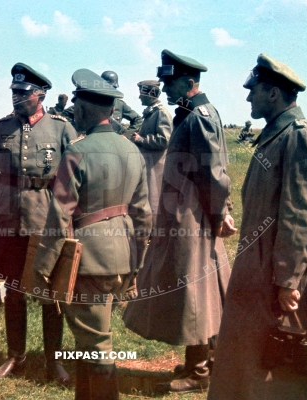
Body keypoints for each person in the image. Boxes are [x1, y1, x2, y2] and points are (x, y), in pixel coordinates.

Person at [208, 54, 307, 400]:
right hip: (264, 265)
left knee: (286, 365)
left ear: (273, 94)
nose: (247, 98)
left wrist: (288, 280)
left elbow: (301, 216)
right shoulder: (280, 135)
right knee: (257, 362)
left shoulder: (299, 137)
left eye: (253, 91)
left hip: (284, 268)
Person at [32, 68, 152, 400]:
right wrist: (138, 265)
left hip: (90, 262)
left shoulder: (77, 151)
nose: (74, 110)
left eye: (77, 105)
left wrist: (42, 269)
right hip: (123, 258)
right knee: (90, 342)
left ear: (86, 108)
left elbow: (59, 215)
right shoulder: (132, 150)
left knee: (97, 346)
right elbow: (143, 214)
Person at [123, 49, 236, 394]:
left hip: (193, 216)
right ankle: (205, 360)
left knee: (194, 290)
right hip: (189, 213)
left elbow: (213, 172)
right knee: (203, 288)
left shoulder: (199, 116)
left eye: (170, 82)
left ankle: (200, 369)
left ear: (189, 82)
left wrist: (221, 213)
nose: (165, 88)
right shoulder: (190, 113)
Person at [0, 63, 77, 385]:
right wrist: (12, 192)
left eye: (23, 93)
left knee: (51, 294)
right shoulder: (2, 127)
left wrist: (41, 194)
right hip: (9, 221)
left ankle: (53, 361)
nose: (16, 98)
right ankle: (15, 357)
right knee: (14, 289)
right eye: (13, 93)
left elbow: (77, 176)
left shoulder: (61, 128)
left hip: (46, 221)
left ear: (40, 94)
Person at [130, 80, 172, 226]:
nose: (139, 97)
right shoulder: (152, 112)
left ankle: (153, 231)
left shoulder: (161, 113)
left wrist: (141, 139)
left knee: (153, 198)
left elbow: (164, 140)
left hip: (155, 165)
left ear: (151, 94)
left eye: (142, 94)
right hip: (149, 163)